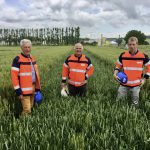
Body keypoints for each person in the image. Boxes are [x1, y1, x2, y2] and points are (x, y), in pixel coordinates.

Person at [114, 36, 150, 107]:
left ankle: (134, 115)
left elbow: (149, 68)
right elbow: (118, 66)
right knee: (119, 103)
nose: (131, 46)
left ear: (137, 45)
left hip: (136, 85)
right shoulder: (123, 55)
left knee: (135, 105)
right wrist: (115, 74)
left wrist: (144, 79)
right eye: (130, 44)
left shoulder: (143, 56)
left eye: (133, 44)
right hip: (124, 83)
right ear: (128, 45)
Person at [11, 39, 41, 115]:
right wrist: (18, 91)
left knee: (30, 106)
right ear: (21, 48)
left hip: (33, 86)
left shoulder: (32, 58)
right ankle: (22, 124)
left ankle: (27, 124)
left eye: (29, 47)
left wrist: (37, 87)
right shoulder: (17, 59)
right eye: (25, 47)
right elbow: (14, 77)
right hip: (24, 89)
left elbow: (35, 73)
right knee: (27, 109)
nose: (27, 49)